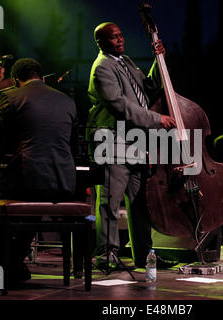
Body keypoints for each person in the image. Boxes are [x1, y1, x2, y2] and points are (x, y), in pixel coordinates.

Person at [0, 58, 79, 284]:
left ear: (14, 80)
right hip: (63, 181)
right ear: (41, 77)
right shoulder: (67, 101)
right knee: (28, 209)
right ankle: (13, 262)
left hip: (29, 177)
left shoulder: (11, 97)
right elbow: (72, 147)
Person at [86, 22, 176, 270]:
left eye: (121, 34)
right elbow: (120, 106)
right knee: (109, 203)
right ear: (100, 42)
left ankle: (146, 256)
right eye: (113, 37)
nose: (119, 39)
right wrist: (157, 119)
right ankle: (106, 255)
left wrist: (159, 61)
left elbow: (147, 88)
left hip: (134, 144)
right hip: (112, 144)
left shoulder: (125, 62)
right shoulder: (102, 67)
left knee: (140, 204)